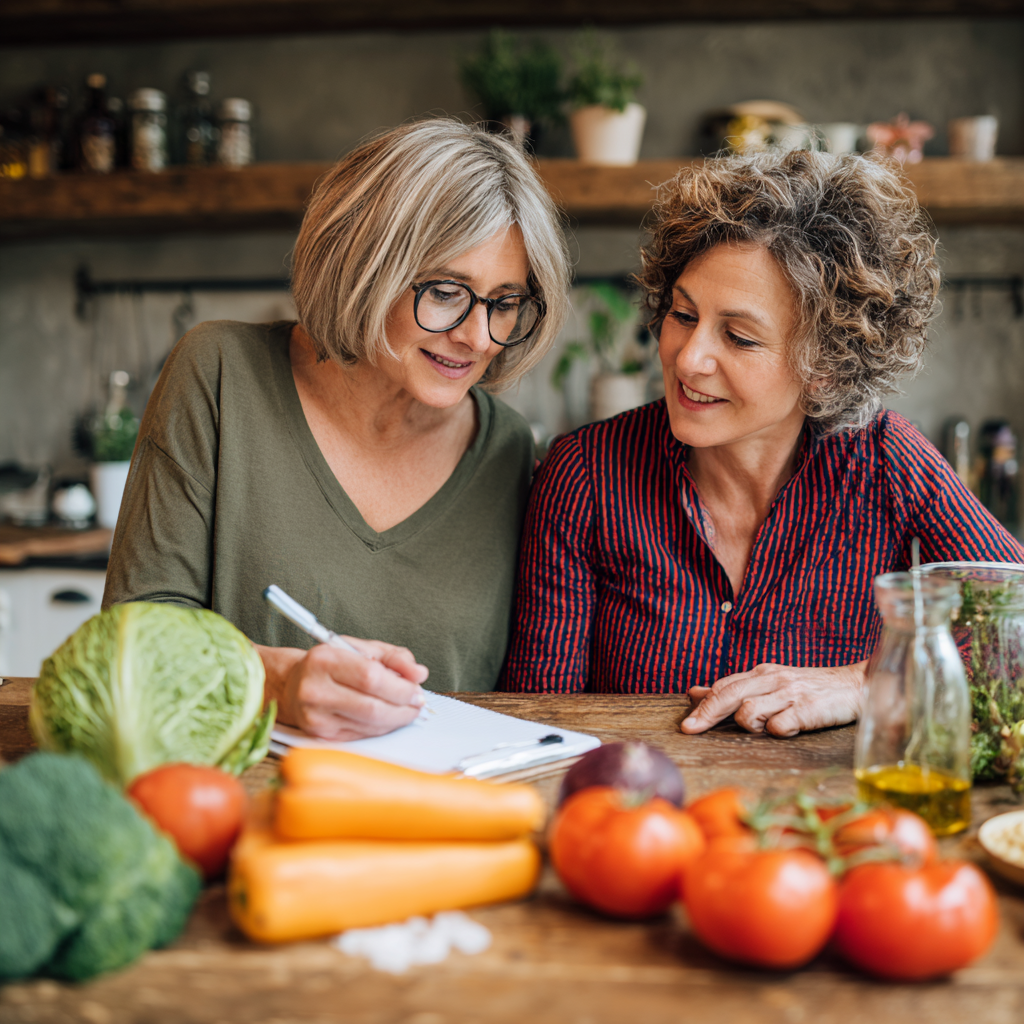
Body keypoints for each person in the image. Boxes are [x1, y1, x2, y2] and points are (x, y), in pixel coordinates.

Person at [500, 149, 1024, 736]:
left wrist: (867, 680)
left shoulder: (887, 463)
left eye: (740, 338)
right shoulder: (586, 474)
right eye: (682, 314)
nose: (689, 358)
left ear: (825, 365)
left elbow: (1016, 622)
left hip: (825, 818)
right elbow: (536, 729)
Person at [104, 118, 570, 740]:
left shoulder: (509, 449)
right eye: (445, 291)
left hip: (447, 820)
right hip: (236, 809)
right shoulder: (219, 373)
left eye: (505, 302)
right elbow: (131, 637)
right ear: (364, 262)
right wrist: (274, 685)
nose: (477, 336)